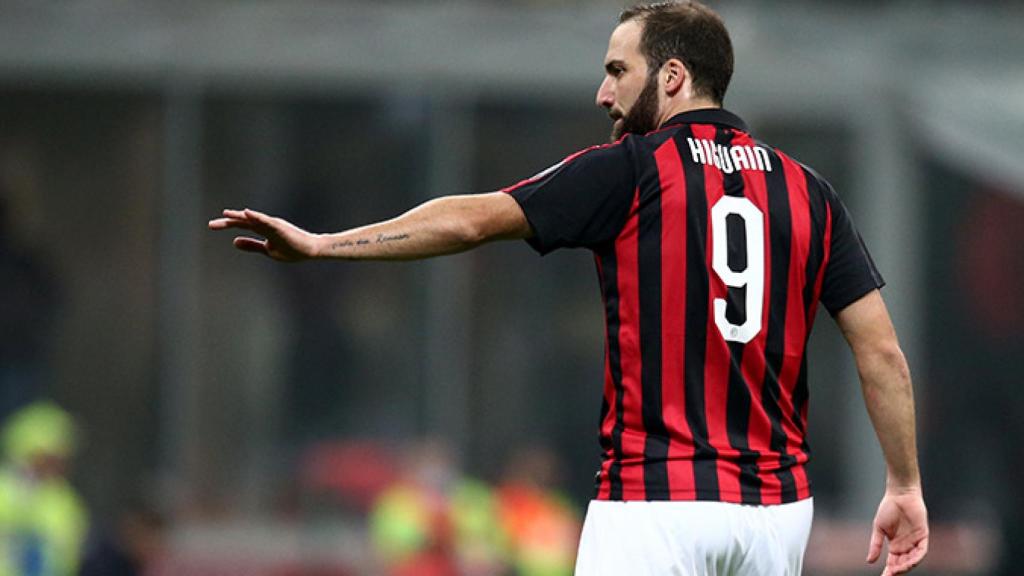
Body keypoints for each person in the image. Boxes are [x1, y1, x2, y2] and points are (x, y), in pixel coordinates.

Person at [209, 2, 928, 574]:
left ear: (672, 77)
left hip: (655, 503)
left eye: (619, 70)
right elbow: (883, 356)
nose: (603, 92)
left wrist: (325, 245)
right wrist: (903, 487)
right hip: (776, 516)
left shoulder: (630, 169)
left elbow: (467, 223)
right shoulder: (811, 193)